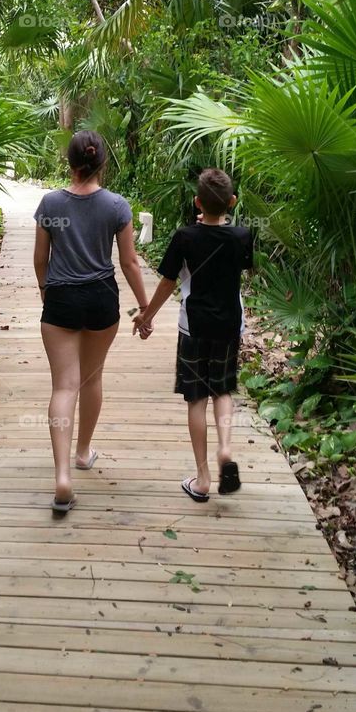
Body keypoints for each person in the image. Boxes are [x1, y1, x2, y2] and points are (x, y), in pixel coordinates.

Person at [33, 130, 150, 515]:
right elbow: (130, 262)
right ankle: (83, 453)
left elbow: (40, 259)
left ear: (69, 163)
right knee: (92, 379)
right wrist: (144, 308)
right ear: (102, 163)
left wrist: (46, 292)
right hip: (102, 300)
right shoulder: (117, 205)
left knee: (63, 386)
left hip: (62, 299)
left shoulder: (50, 202)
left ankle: (62, 476)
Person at [132, 168, 253, 501]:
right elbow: (244, 269)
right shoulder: (243, 236)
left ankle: (202, 478)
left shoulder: (185, 237)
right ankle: (226, 448)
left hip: (194, 326)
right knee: (223, 390)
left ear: (197, 202)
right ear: (232, 202)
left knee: (197, 399)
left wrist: (146, 316)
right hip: (230, 325)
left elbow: (168, 283)